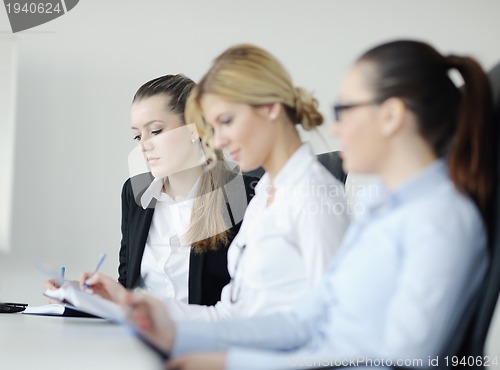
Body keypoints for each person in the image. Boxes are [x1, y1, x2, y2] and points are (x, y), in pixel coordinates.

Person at [126, 39, 495, 370]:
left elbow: (400, 358)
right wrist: (176, 332)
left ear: (391, 116)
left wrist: (232, 363)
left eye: (345, 110)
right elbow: (305, 320)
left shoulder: (440, 218)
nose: (334, 129)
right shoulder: (381, 208)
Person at [86, 44, 350, 321]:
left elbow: (329, 322)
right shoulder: (264, 194)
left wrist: (221, 359)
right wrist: (125, 301)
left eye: (226, 121)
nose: (219, 139)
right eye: (138, 136)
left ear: (271, 109)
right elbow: (232, 314)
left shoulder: (310, 196)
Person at [47, 74, 256, 307]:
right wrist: (85, 295)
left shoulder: (242, 195)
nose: (143, 145)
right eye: (137, 135)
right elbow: (128, 285)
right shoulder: (135, 193)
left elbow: (250, 300)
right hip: (137, 336)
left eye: (155, 131)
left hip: (203, 337)